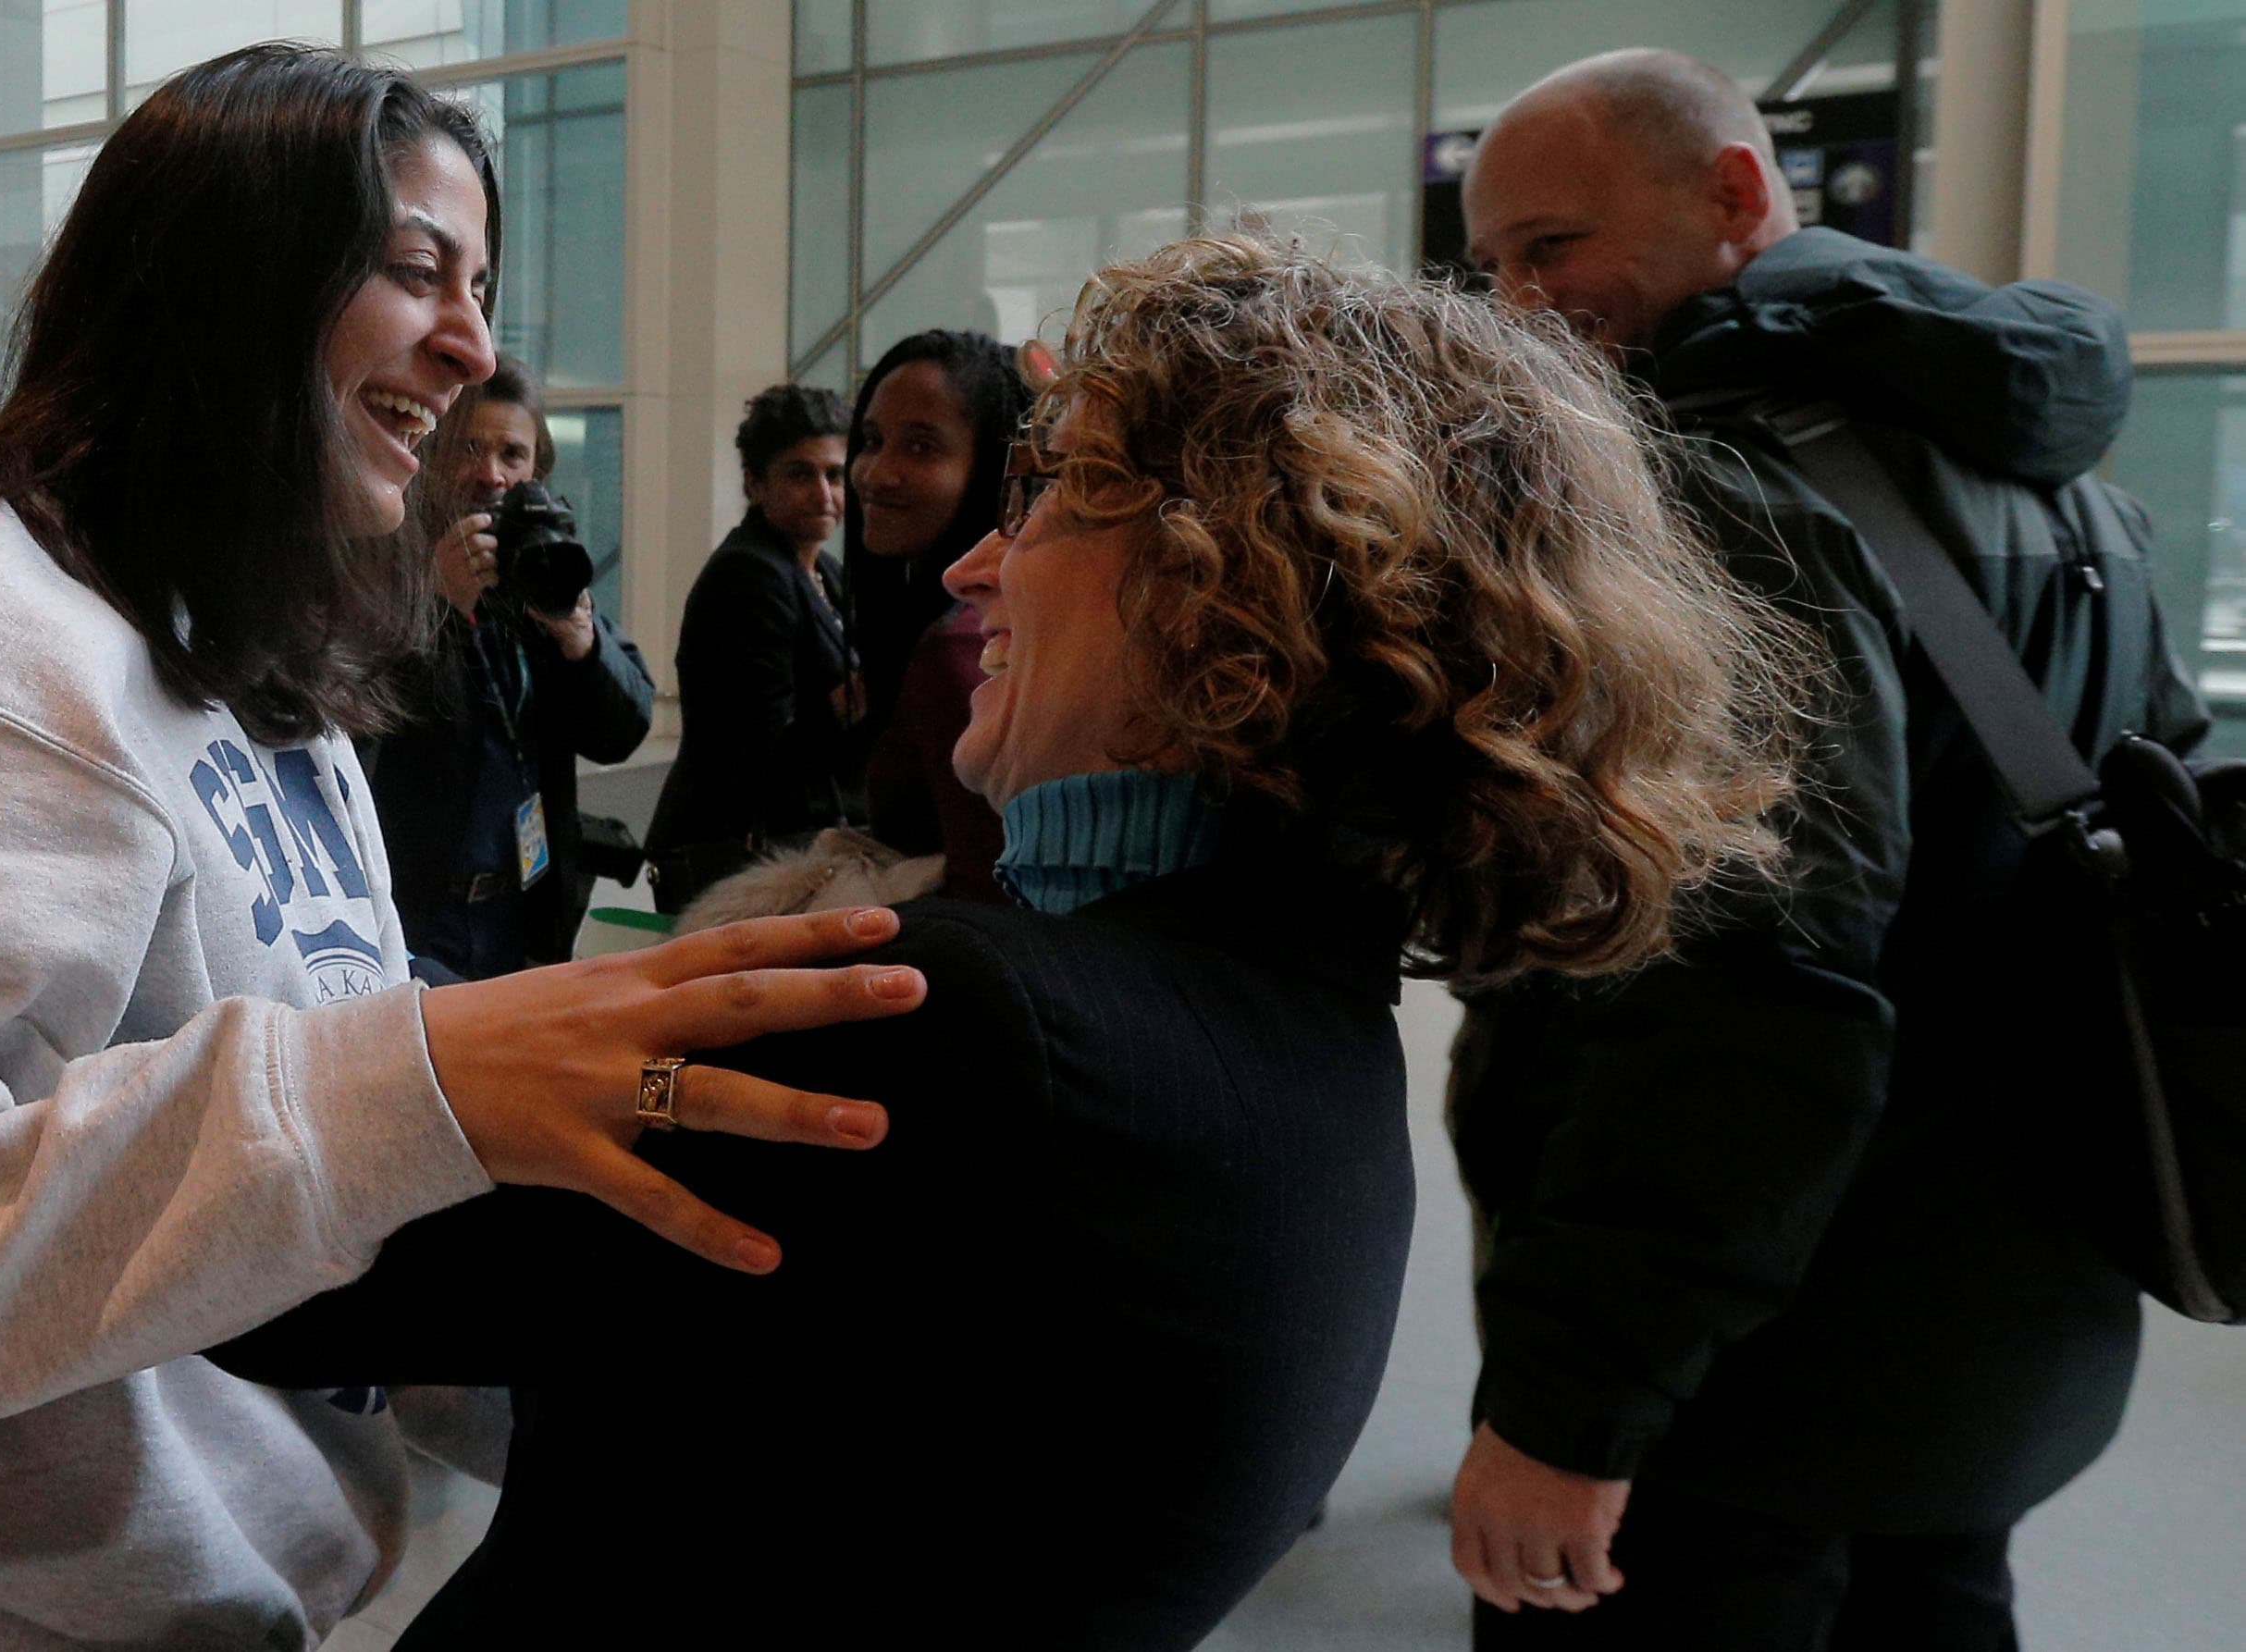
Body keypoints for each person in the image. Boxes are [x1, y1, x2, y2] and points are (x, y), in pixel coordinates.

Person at [208, 229, 1819, 1650]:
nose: (977, 561)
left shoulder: (975, 1034)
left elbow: (282, 1276)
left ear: (1222, 582)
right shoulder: (1284, 1019)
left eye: (1047, 502)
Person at [0, 46, 925, 1652]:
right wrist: (403, 1082)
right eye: (416, 268)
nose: (473, 342)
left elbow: (278, 1147)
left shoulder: (246, 654)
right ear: (229, 272)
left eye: (479, 285)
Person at [1448, 49, 2211, 1651]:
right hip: (2010, 1282)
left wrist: (1571, 1400)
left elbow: (1736, 990)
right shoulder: (2060, 479)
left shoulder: (1711, 485)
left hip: (1764, 1334)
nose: (1513, 309)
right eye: (1490, 265)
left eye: (1549, 247)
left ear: (1730, 195)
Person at [369, 354, 654, 976]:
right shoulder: (383, 570)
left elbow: (622, 730)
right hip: (417, 914)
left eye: (512, 456)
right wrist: (434, 605)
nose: (490, 475)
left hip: (523, 910)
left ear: (536, 470)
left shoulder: (538, 568)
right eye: (469, 449)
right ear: (430, 457)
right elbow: (363, 732)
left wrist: (578, 636)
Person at [644, 384, 863, 911]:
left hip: (783, 847)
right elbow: (759, 740)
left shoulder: (824, 572)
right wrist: (858, 699)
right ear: (754, 483)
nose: (823, 493)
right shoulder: (750, 572)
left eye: (835, 475)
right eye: (799, 473)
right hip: (737, 851)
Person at [846, 328, 1033, 901]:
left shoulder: (964, 649)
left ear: (994, 469)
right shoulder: (980, 626)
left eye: (922, 447)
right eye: (872, 440)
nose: (876, 473)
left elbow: (989, 890)